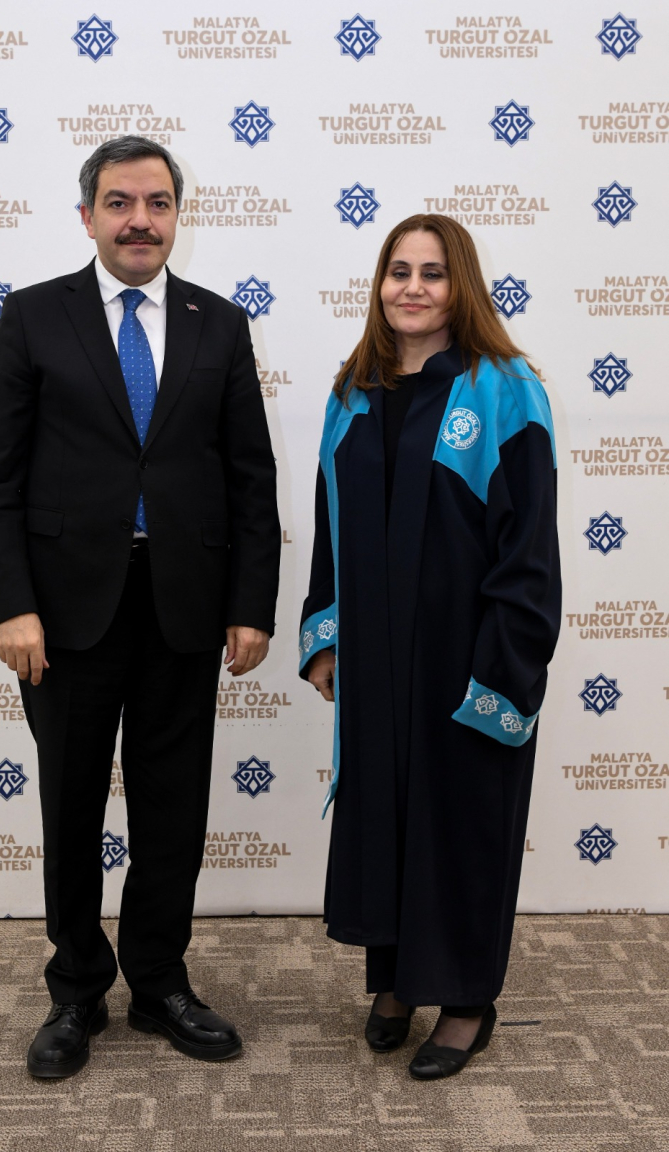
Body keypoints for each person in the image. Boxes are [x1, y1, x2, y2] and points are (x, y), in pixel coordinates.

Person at [0, 136, 280, 1078]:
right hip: (63, 616)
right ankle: (75, 990)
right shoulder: (33, 316)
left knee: (173, 806)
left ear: (178, 214)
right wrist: (11, 606)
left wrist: (252, 605)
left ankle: (158, 982)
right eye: (119, 203)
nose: (139, 220)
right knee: (69, 804)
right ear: (88, 216)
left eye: (156, 203)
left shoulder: (219, 324)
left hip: (185, 606)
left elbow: (250, 477)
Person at [299, 214, 560, 1081]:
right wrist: (326, 634)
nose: (412, 288)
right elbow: (330, 524)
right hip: (376, 655)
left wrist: (504, 668)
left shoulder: (504, 389)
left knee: (460, 826)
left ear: (462, 288)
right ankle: (396, 982)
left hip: (464, 656)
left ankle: (466, 1002)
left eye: (433, 274)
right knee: (387, 815)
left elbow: (529, 546)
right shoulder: (354, 391)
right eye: (399, 271)